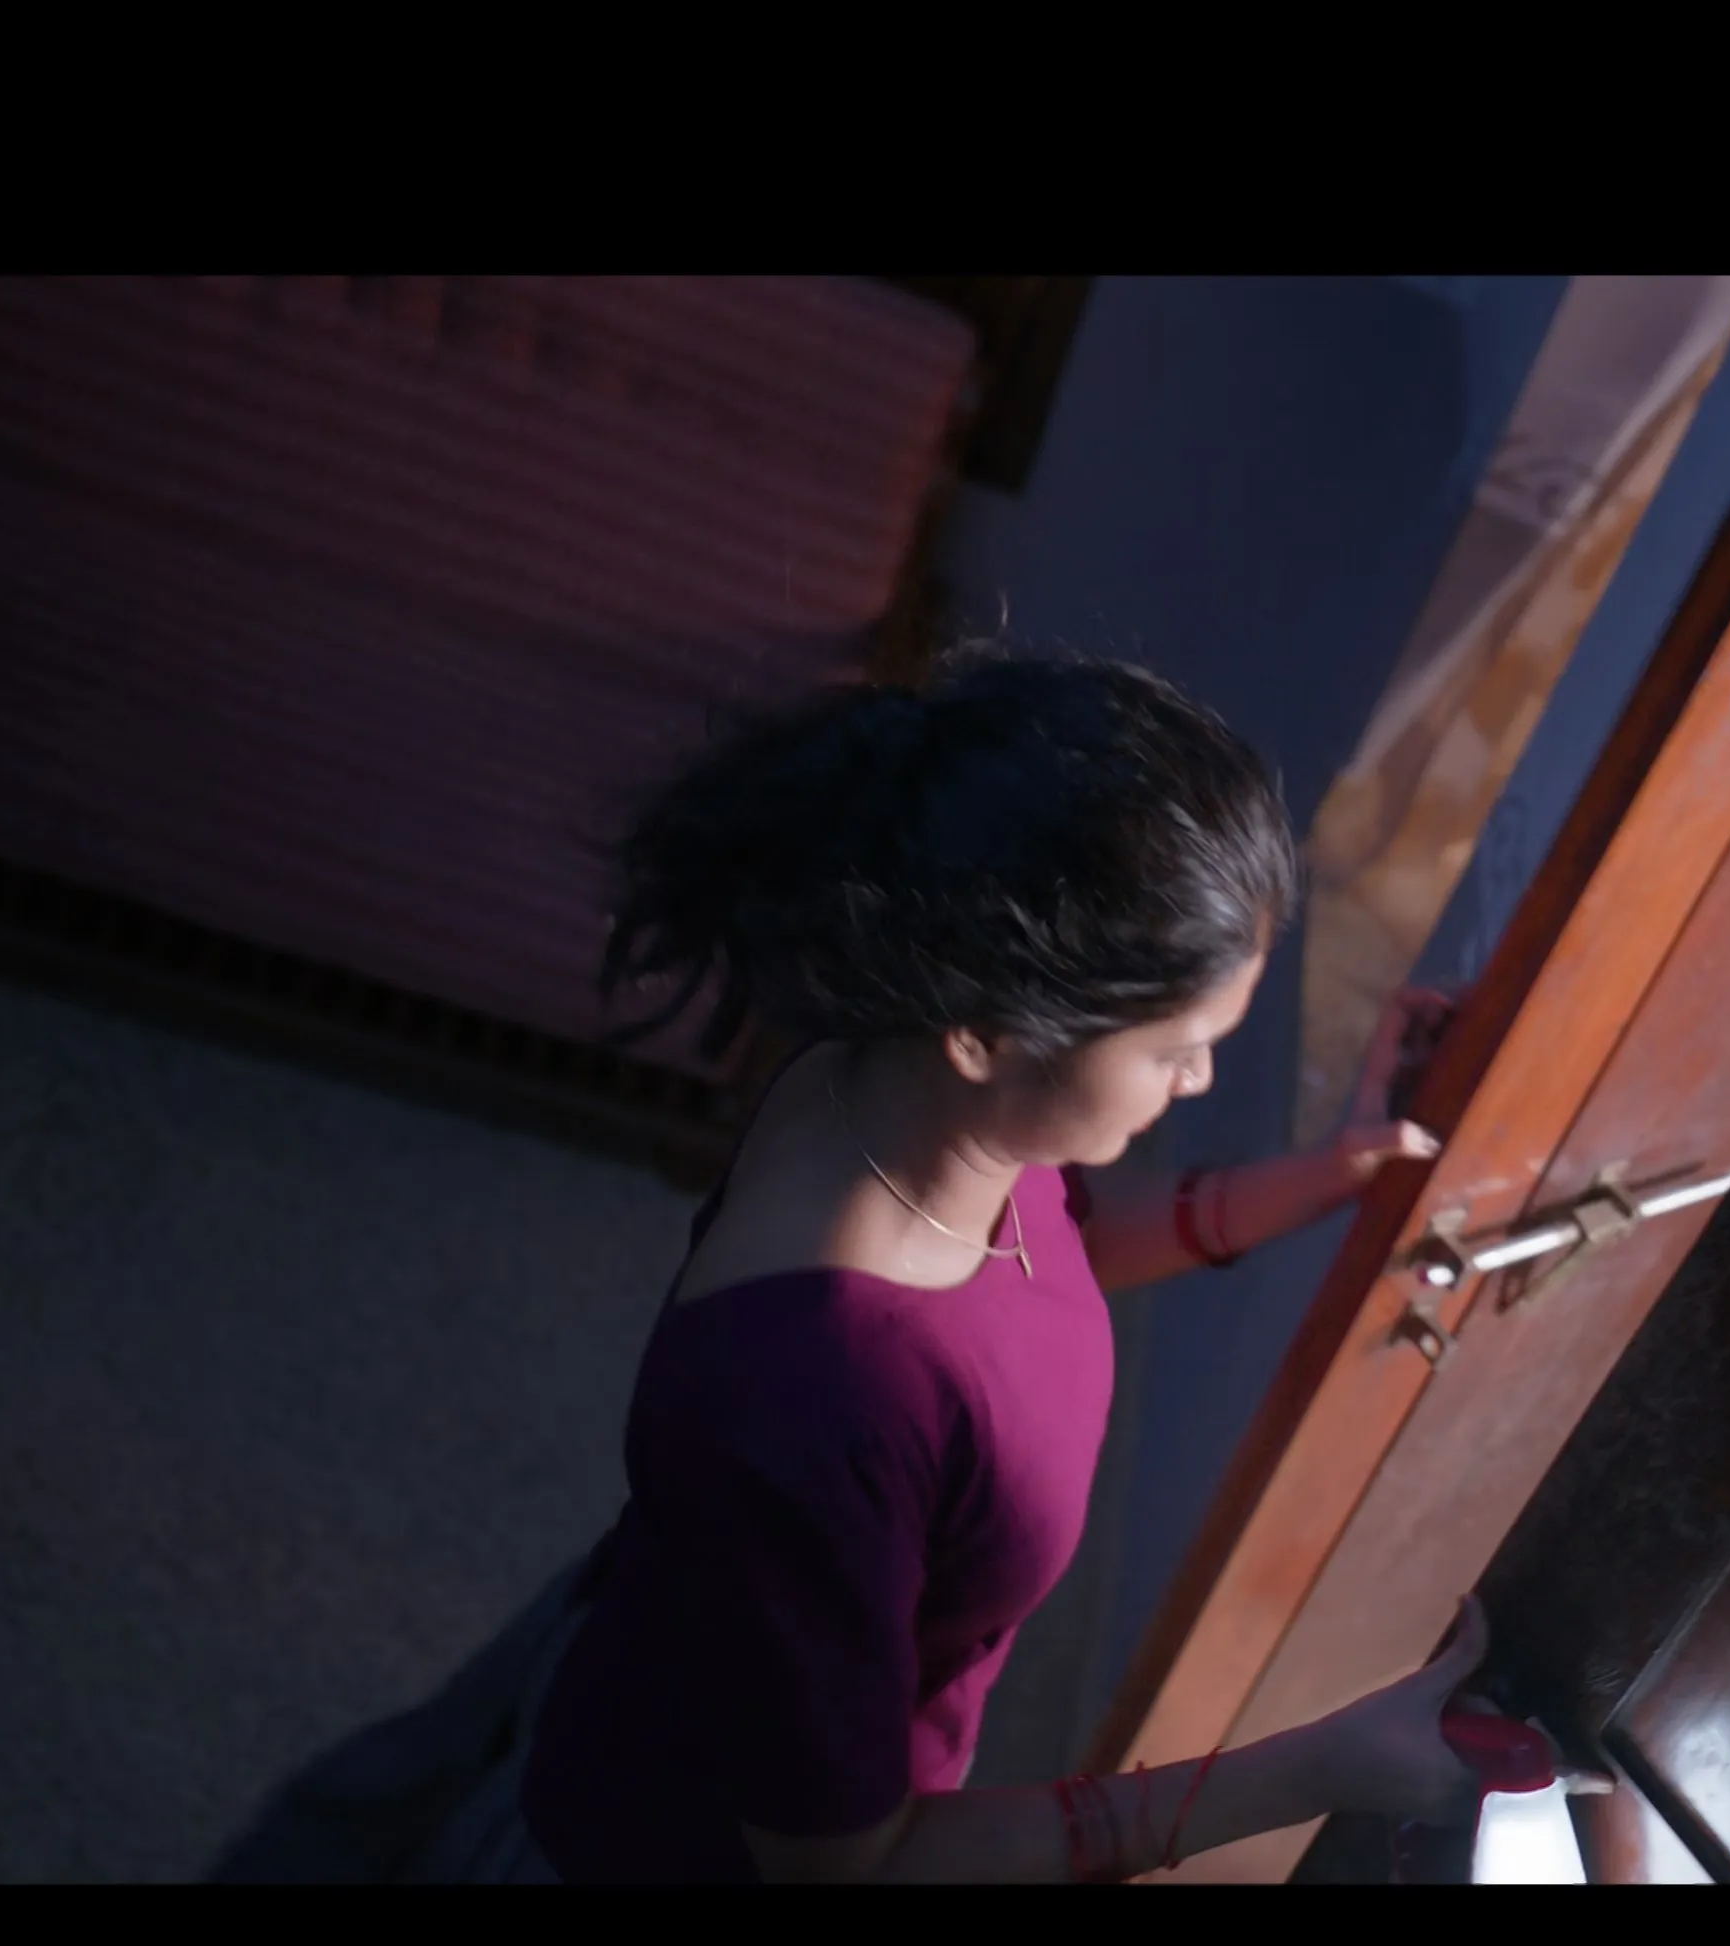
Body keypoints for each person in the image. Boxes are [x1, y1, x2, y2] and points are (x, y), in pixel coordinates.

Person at [213, 646, 1484, 1883]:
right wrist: (1309, 1772)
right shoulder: (817, 1400)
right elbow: (849, 1861)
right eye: (1172, 1050)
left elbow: (1055, 1242)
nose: (1198, 1079)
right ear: (987, 1032)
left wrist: (1323, 1179)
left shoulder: (902, 1102)